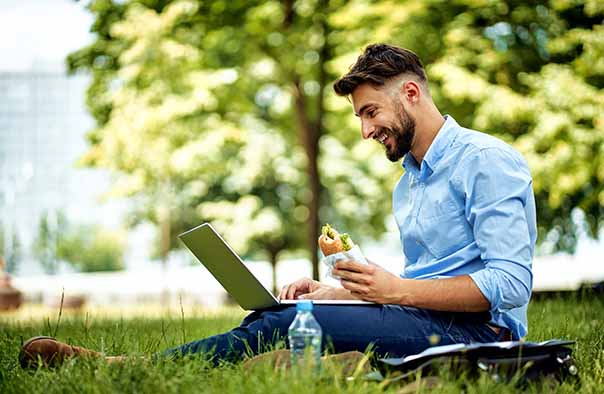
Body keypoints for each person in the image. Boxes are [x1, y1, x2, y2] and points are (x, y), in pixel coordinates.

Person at [20, 43, 536, 368]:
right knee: (284, 313)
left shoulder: (487, 161)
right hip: (430, 321)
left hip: (483, 335)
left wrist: (396, 289)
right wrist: (343, 292)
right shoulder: (409, 182)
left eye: (371, 111)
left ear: (411, 93)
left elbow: (510, 286)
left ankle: (128, 364)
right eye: (360, 117)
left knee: (289, 326)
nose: (365, 130)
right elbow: (431, 283)